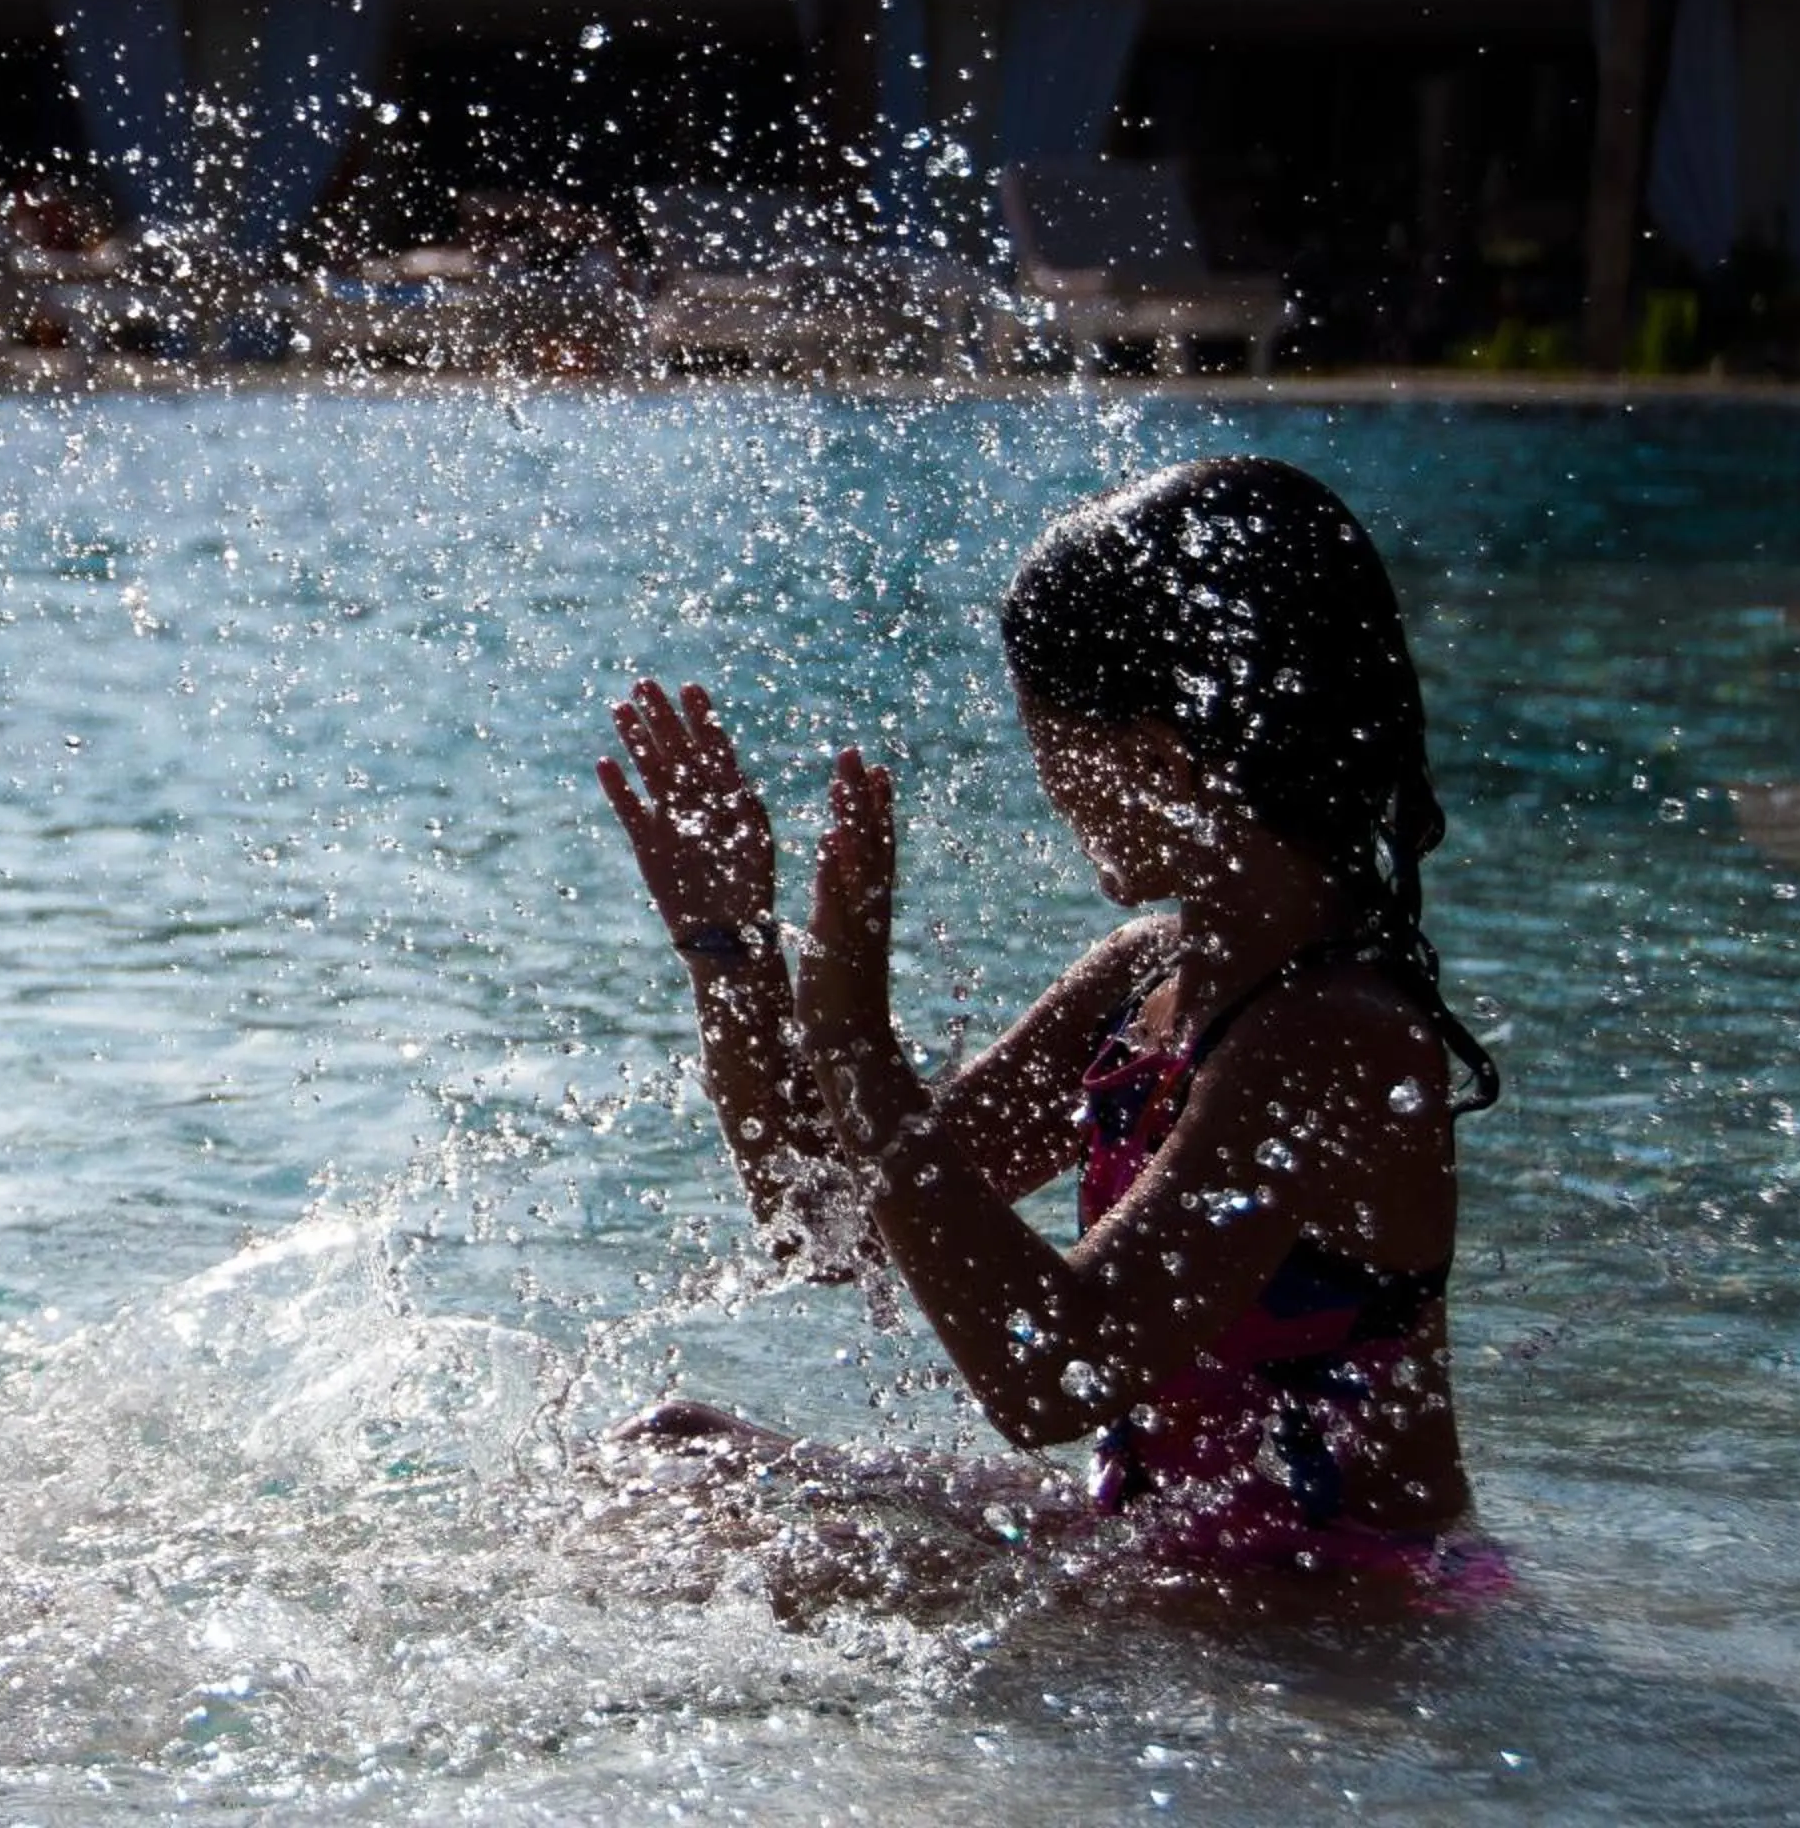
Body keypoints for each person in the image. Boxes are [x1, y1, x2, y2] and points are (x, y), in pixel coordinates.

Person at [600, 457, 1503, 1590]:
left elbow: (1053, 1374)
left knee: (737, 1563)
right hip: (1168, 1559)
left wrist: (854, 1038)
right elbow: (825, 1226)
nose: (1048, 785)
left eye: (1048, 739)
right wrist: (730, 959)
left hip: (1342, 1605)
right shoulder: (1146, 978)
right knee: (672, 1454)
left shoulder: (1337, 1038)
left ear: (1164, 753)